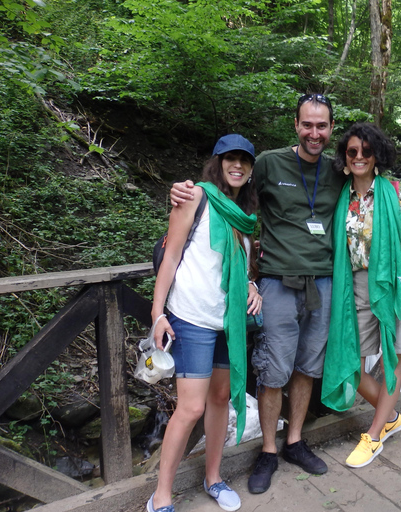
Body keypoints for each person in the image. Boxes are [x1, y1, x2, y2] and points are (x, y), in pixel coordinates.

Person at [170, 94, 344, 494]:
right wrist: (186, 192)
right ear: (296, 126)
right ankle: (267, 449)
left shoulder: (338, 170)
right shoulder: (268, 162)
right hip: (278, 283)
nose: (314, 133)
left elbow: (374, 185)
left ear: (331, 128)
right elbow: (232, 195)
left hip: (323, 283)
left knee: (306, 368)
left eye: (322, 126)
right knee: (272, 370)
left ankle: (295, 441)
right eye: (307, 125)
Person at [148, 134, 262, 512]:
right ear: (217, 161)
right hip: (192, 318)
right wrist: (157, 314)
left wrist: (250, 284)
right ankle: (161, 494)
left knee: (219, 400)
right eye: (231, 158)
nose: (238, 166)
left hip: (227, 323)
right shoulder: (194, 197)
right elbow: (171, 256)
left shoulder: (243, 214)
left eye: (245, 161)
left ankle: (213, 477)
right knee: (190, 408)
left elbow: (237, 266)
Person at [321, 123, 401, 468]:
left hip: (390, 282)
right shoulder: (341, 194)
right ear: (345, 158)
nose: (360, 157)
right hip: (351, 286)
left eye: (366, 151)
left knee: (393, 356)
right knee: (347, 362)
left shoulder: (395, 191)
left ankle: (375, 435)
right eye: (353, 152)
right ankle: (391, 415)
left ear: (377, 154)